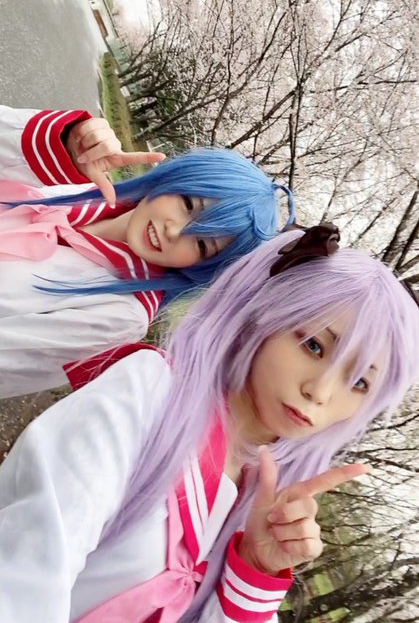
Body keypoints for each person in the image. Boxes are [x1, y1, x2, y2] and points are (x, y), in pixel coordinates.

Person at [0, 224, 418, 623]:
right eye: (313, 345)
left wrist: (254, 569)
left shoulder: (266, 501)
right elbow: (29, 561)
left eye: (359, 382)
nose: (320, 391)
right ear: (266, 312)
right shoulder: (149, 394)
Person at [0, 104, 294, 398]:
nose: (175, 232)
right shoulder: (81, 188)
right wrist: (64, 142)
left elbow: (9, 365)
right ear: (175, 178)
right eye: (188, 205)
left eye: (203, 244)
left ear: (204, 266)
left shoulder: (121, 314)